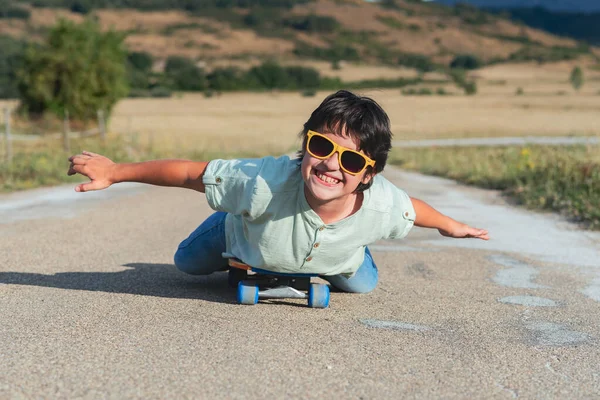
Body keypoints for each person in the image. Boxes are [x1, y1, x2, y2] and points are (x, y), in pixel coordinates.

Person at [67, 90, 488, 294]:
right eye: (321, 147)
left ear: (369, 174)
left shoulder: (380, 205)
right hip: (247, 235)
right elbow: (190, 173)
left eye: (352, 161)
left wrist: (450, 225)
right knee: (187, 264)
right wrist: (116, 171)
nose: (330, 165)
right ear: (305, 144)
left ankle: (350, 249)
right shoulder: (261, 182)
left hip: (339, 247)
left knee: (363, 286)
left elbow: (410, 210)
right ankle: (233, 220)